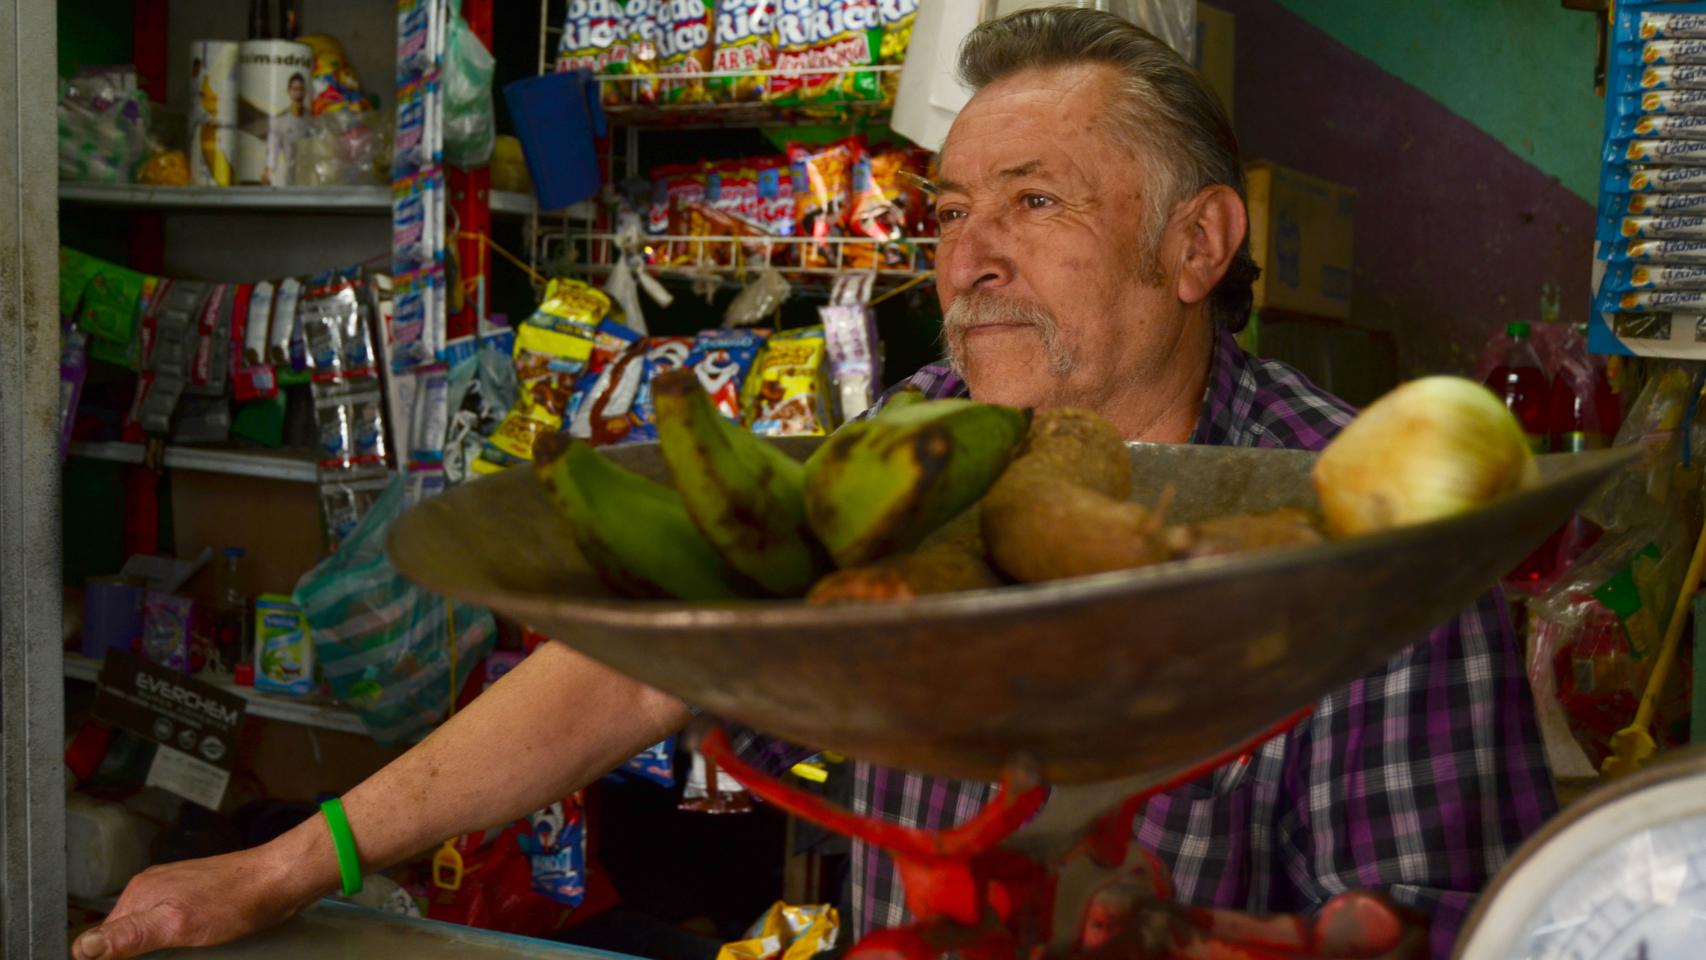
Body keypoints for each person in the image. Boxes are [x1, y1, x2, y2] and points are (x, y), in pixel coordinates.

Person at [71, 10, 1551, 960]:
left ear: (1196, 244)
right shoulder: (904, 437)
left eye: (1033, 203)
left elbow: (1446, 923)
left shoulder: (1367, 528)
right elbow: (633, 670)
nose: (964, 257)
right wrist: (285, 865)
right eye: (954, 210)